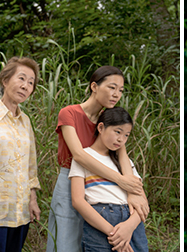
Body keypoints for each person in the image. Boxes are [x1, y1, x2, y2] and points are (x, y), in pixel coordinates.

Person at [46, 66, 148, 252]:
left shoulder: (108, 118)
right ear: (94, 86)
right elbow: (78, 155)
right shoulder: (69, 113)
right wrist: (120, 180)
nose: (116, 94)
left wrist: (132, 190)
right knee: (66, 241)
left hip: (100, 185)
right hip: (72, 178)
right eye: (112, 87)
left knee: (92, 239)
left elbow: (121, 154)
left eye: (120, 90)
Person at [0, 57, 41, 251]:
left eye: (31, 83)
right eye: (21, 78)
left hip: (20, 212)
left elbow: (30, 165)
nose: (25, 86)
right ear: (5, 81)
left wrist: (32, 200)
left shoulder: (26, 121)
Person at [70, 107, 149, 252]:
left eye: (126, 135)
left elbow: (143, 203)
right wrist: (113, 233)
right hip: (100, 223)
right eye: (118, 132)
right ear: (101, 127)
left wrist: (128, 227)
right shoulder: (85, 158)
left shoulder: (125, 163)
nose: (121, 139)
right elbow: (78, 201)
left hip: (131, 223)